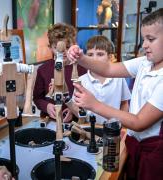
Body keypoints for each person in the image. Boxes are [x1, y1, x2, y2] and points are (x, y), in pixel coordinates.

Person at [67, 8, 163, 180]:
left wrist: (94, 104)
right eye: (143, 39)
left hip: (155, 153)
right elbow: (109, 68)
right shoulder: (145, 63)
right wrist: (81, 58)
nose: (144, 45)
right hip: (135, 143)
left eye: (151, 39)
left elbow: (139, 122)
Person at [33, 23, 86, 123]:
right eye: (57, 48)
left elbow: (88, 98)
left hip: (76, 122)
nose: (63, 52)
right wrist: (47, 106)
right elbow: (37, 98)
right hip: (50, 121)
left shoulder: (83, 69)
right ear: (50, 48)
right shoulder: (43, 70)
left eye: (67, 47)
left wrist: (73, 109)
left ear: (75, 45)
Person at [76, 35, 131, 124]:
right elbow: (77, 107)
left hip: (113, 129)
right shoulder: (81, 80)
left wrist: (122, 125)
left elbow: (124, 103)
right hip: (89, 128)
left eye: (100, 54)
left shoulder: (119, 78)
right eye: (90, 55)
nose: (94, 59)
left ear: (109, 57)